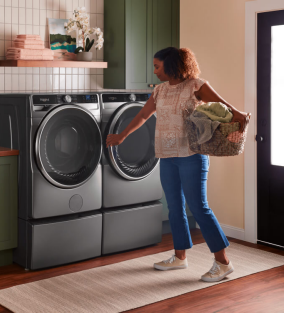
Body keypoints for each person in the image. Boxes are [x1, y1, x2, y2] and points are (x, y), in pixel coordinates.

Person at [106, 47, 250, 282]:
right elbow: (143, 115)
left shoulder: (196, 85)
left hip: (192, 154)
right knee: (174, 207)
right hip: (166, 155)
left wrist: (240, 116)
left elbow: (224, 108)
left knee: (199, 207)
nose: (154, 71)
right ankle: (180, 257)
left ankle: (223, 262)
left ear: (172, 65)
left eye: (157, 66)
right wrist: (122, 135)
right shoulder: (160, 91)